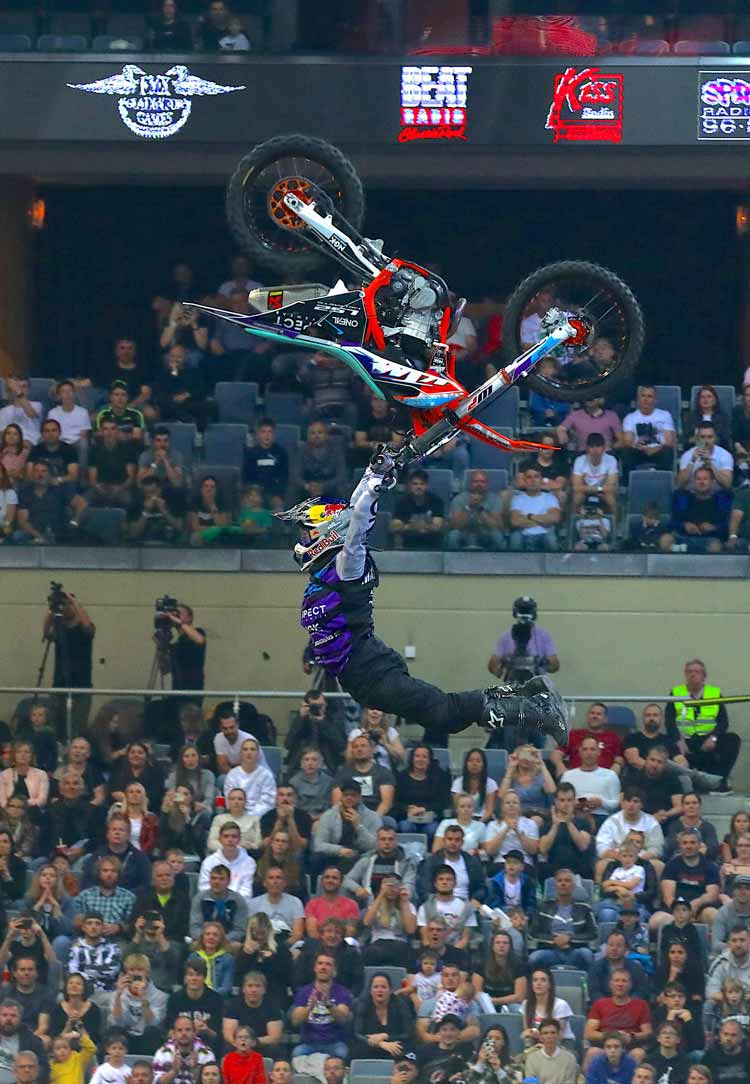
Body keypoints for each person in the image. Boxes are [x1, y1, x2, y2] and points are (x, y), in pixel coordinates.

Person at [278, 455, 568, 745]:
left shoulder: (347, 565)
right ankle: (530, 695)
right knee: (443, 712)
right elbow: (354, 511)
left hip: (372, 672)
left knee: (445, 715)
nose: (302, 539)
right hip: (362, 677)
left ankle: (535, 710)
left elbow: (357, 527)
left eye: (306, 531)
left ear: (326, 531)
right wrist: (371, 472)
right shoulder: (326, 571)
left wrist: (375, 487)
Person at [665, 659, 739, 793]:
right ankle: (684, 785)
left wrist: (714, 738)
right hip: (685, 742)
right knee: (664, 742)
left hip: (707, 742)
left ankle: (719, 782)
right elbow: (669, 722)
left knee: (732, 739)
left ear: (704, 676)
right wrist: (678, 740)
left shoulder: (714, 693)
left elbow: (723, 722)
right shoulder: (676, 693)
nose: (692, 674)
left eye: (696, 672)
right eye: (689, 672)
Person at [42, 588, 94, 740]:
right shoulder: (60, 627)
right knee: (54, 727)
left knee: (77, 729)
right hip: (59, 684)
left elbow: (88, 628)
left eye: (66, 605)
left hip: (81, 686)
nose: (64, 608)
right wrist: (52, 608)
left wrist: (74, 601)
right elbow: (46, 633)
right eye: (62, 605)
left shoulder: (82, 628)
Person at [528, 868, 597, 969]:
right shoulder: (543, 907)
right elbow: (533, 932)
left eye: (567, 881)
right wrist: (554, 940)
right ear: (555, 885)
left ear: (573, 886)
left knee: (587, 955)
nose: (563, 884)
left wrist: (569, 938)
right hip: (550, 950)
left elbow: (593, 933)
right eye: (559, 881)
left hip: (575, 950)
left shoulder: (584, 908)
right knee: (533, 958)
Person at [290, 951, 352, 1060]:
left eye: (328, 964)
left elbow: (343, 1020)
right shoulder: (304, 992)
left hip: (334, 1043)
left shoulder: (342, 992)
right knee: (297, 1054)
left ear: (334, 970)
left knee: (342, 1053)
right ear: (315, 968)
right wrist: (309, 1008)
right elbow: (295, 1021)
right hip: (309, 1044)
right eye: (320, 963)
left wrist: (330, 1005)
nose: (323, 967)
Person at [584, 969, 652, 1068]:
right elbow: (589, 1033)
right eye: (616, 980)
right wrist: (613, 1036)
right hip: (605, 1047)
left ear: (630, 985)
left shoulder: (641, 1005)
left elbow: (647, 1032)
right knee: (592, 1052)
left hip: (629, 1048)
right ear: (610, 984)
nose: (620, 984)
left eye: (624, 981)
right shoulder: (599, 1004)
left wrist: (632, 1036)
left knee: (639, 1053)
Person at [312, 780, 382, 870]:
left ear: (360, 797)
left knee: (352, 861)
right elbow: (318, 845)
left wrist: (358, 826)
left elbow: (375, 846)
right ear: (341, 797)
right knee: (316, 857)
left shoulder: (373, 817)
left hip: (360, 857)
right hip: (334, 855)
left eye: (353, 795)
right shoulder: (329, 815)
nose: (349, 798)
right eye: (346, 795)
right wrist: (340, 850)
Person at [660, 466, 731, 554]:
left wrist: (714, 527)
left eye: (705, 479)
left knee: (715, 546)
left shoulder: (721, 499)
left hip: (709, 539)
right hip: (683, 537)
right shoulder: (683, 497)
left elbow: (728, 525)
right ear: (693, 482)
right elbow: (672, 522)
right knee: (665, 540)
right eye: (698, 479)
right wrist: (684, 525)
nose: (701, 482)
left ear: (712, 482)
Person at [80, 815, 151, 896]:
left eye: (121, 830)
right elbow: (87, 884)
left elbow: (145, 885)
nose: (117, 833)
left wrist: (124, 895)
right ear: (107, 834)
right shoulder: (97, 857)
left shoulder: (140, 858)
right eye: (114, 829)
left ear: (128, 835)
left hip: (130, 899)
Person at [166, 958, 223, 1059]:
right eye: (190, 974)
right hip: (180, 1044)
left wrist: (206, 1030)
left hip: (207, 1043)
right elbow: (169, 1030)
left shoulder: (216, 1000)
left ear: (204, 978)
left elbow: (218, 1035)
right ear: (185, 978)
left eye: (198, 975)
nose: (194, 978)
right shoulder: (175, 999)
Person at [550, 702, 624, 780]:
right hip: (576, 778)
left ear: (605, 719)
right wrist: (560, 765)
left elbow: (619, 760)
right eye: (592, 713)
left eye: (599, 714)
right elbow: (556, 754)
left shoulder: (612, 737)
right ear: (587, 716)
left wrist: (610, 777)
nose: (595, 716)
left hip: (603, 779)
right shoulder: (574, 734)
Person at [351, 971, 415, 1060]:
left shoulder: (400, 1004)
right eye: (375, 987)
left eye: (383, 987)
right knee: (358, 1050)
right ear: (370, 990)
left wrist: (385, 1036)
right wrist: (381, 1044)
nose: (379, 990)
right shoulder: (362, 1005)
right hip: (369, 1045)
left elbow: (408, 1033)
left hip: (395, 1044)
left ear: (390, 990)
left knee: (408, 1054)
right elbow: (357, 1034)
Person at [393, 745, 451, 838]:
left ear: (429, 760)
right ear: (412, 759)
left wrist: (424, 809)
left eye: (424, 757)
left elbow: (443, 802)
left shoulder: (439, 776)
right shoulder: (401, 777)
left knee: (432, 829)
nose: (420, 759)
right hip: (407, 817)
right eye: (417, 756)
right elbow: (395, 802)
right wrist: (407, 809)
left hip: (431, 818)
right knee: (406, 827)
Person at [620, 385, 676, 480]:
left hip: (659, 450)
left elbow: (669, 441)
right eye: (643, 396)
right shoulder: (630, 417)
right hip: (639, 450)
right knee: (626, 452)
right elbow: (627, 441)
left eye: (649, 396)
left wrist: (656, 448)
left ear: (655, 400)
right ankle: (628, 484)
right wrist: (636, 446)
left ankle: (662, 481)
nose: (646, 399)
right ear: (638, 399)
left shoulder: (664, 415)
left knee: (668, 451)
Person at [446, 470, 505, 552]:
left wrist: (480, 508)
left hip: (486, 534)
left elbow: (496, 527)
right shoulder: (459, 499)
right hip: (464, 533)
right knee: (453, 535)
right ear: (470, 484)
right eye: (475, 481)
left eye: (482, 482)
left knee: (497, 536)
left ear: (487, 484)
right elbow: (455, 526)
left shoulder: (495, 500)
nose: (479, 484)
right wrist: (469, 507)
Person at [560, 737, 621, 815]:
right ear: (580, 752)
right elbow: (560, 802)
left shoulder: (610, 775)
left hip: (602, 817)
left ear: (599, 752)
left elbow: (617, 804)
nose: (589, 753)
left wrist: (601, 802)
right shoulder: (567, 776)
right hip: (574, 816)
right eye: (585, 749)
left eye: (592, 749)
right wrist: (573, 804)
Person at [190, 864, 248, 943]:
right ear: (209, 880)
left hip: (228, 942)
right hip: (203, 941)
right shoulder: (199, 898)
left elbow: (240, 929)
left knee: (237, 946)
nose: (217, 882)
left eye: (221, 879)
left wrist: (220, 940)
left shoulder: (238, 900)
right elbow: (195, 927)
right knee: (193, 945)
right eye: (213, 878)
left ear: (228, 881)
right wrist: (208, 939)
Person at [198, 823, 256, 899]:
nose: (230, 840)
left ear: (239, 839)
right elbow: (204, 888)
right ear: (220, 839)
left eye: (234, 836)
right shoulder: (209, 862)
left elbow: (246, 891)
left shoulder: (249, 862)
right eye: (226, 836)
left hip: (239, 903)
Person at [471, 929, 526, 1010]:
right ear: (492, 946)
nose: (501, 945)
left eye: (505, 943)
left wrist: (495, 1001)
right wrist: (488, 1002)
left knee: (517, 1008)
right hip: (485, 1003)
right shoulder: (481, 963)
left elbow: (520, 996)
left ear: (510, 946)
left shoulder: (519, 965)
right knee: (474, 1006)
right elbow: (476, 993)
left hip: (509, 1003)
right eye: (498, 942)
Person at [152, 1014, 215, 1082]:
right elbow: (157, 1082)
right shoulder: (163, 1052)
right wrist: (174, 1071)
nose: (184, 1033)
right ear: (173, 1034)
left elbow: (211, 1082)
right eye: (179, 1030)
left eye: (188, 1029)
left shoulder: (206, 1054)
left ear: (194, 1032)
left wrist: (195, 1069)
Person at [520, 968, 575, 1044]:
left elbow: (559, 1035)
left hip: (562, 1043)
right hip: (537, 1043)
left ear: (550, 985)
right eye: (535, 980)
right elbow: (527, 1030)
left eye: (543, 980)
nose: (538, 983)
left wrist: (537, 1035)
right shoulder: (526, 1003)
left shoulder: (560, 1005)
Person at [224, 740, 276, 817]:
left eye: (252, 749)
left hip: (260, 817)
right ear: (240, 754)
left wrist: (250, 816)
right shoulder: (232, 774)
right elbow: (230, 800)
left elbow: (268, 803)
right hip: (236, 815)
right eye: (245, 749)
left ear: (258, 754)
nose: (249, 752)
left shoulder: (266, 775)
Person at [677, 423, 733, 491]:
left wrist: (711, 465)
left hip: (716, 494)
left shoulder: (725, 455)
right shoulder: (687, 455)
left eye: (710, 437)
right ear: (697, 438)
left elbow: (727, 484)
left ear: (715, 438)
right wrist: (692, 461)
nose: (706, 441)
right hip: (692, 494)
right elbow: (679, 484)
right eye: (702, 437)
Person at [524, 1018, 578, 1084]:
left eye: (553, 1033)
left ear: (558, 1035)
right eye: (545, 1033)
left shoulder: (569, 1059)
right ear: (540, 1037)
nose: (549, 1036)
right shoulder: (532, 1059)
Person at [704, 1019, 750, 1084]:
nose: (728, 1038)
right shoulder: (710, 1056)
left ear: (741, 1037)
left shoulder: (748, 1055)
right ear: (720, 1035)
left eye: (733, 1035)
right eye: (725, 1034)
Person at [0, 376, 42, 446]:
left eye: (24, 386)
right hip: (11, 444)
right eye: (18, 387)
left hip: (31, 443)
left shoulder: (36, 405)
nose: (20, 389)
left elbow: (31, 414)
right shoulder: (4, 411)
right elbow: (2, 433)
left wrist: (19, 393)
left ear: (29, 390)